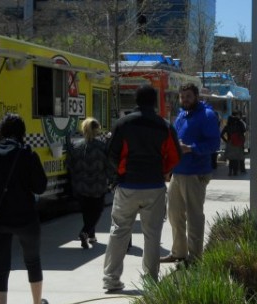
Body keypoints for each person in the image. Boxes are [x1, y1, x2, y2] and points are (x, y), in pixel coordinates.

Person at [103, 85, 181, 291]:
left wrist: (120, 173)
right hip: (154, 186)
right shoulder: (164, 126)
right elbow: (175, 156)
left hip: (127, 185)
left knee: (119, 231)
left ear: (136, 101)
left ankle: (111, 279)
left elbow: (111, 153)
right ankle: (150, 280)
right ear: (155, 102)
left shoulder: (123, 123)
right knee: (152, 234)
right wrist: (163, 171)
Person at [0, 114, 49, 304]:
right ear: (23, 132)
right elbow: (41, 187)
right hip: (26, 218)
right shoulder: (28, 154)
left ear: (2, 131)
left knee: (1, 268)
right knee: (33, 261)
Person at [160, 83, 220, 264]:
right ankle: (178, 252)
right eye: (182, 97)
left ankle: (195, 258)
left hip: (196, 174)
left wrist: (191, 149)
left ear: (196, 97)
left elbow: (214, 145)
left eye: (188, 96)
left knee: (194, 216)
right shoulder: (181, 116)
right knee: (174, 214)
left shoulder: (207, 115)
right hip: (177, 173)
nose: (185, 100)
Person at [66, 117, 112, 249]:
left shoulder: (77, 146)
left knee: (86, 212)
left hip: (81, 185)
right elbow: (108, 165)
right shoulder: (102, 146)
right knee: (97, 210)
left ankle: (91, 235)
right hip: (98, 185)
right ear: (96, 130)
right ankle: (85, 232)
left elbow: (70, 164)